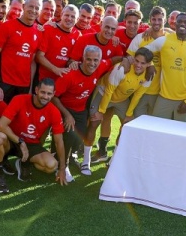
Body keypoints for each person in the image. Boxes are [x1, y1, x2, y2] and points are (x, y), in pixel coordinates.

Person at [0, 79, 68, 187]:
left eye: (49, 93)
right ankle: (0, 174)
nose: (45, 96)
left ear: (53, 94)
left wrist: (62, 168)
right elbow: (1, 125)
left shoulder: (54, 112)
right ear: (36, 90)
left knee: (51, 165)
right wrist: (20, 141)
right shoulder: (19, 99)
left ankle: (23, 163)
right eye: (43, 92)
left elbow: (59, 142)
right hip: (12, 140)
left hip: (32, 144)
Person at [85, 49, 153, 169]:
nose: (138, 65)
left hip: (121, 100)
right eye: (136, 61)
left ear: (148, 64)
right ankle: (85, 161)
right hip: (103, 93)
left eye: (143, 63)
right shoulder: (121, 69)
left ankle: (114, 160)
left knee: (127, 126)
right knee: (94, 122)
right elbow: (109, 91)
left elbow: (137, 95)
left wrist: (129, 114)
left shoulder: (149, 75)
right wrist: (101, 112)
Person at [70, 15, 126, 160]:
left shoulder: (115, 44)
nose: (109, 31)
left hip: (101, 88)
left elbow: (119, 59)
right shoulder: (85, 39)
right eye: (107, 27)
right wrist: (74, 65)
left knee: (94, 119)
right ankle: (73, 148)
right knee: (81, 118)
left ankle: (83, 148)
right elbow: (72, 61)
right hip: (82, 86)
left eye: (113, 29)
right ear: (101, 25)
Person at [51, 46, 113, 177]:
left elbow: (113, 60)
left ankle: (65, 154)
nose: (92, 63)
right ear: (83, 58)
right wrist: (67, 115)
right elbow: (54, 96)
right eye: (88, 59)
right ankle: (63, 165)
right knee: (69, 134)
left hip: (80, 110)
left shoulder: (101, 66)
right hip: (64, 109)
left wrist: (126, 60)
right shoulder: (69, 74)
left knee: (81, 137)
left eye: (95, 60)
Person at [144, 13, 186, 121]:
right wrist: (150, 64)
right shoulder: (164, 40)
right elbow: (143, 51)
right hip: (163, 97)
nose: (182, 24)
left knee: (182, 131)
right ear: (175, 24)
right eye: (179, 21)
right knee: (156, 128)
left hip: (184, 99)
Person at [0, 0, 42, 103]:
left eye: (37, 8)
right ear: (24, 6)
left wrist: (30, 87)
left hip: (24, 85)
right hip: (4, 83)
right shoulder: (7, 26)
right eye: (31, 6)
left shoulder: (39, 32)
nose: (33, 10)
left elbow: (32, 62)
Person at [127, 6, 167, 117]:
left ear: (165, 21)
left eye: (160, 19)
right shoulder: (140, 38)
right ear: (150, 20)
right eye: (154, 19)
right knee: (136, 123)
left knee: (155, 125)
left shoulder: (170, 39)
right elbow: (129, 59)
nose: (156, 22)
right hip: (139, 90)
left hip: (160, 93)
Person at [35, 4, 80, 81]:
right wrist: (55, 69)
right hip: (44, 80)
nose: (69, 18)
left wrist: (73, 63)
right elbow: (39, 56)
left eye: (73, 17)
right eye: (67, 15)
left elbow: (71, 60)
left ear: (77, 19)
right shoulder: (49, 29)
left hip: (62, 81)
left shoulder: (78, 35)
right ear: (61, 15)